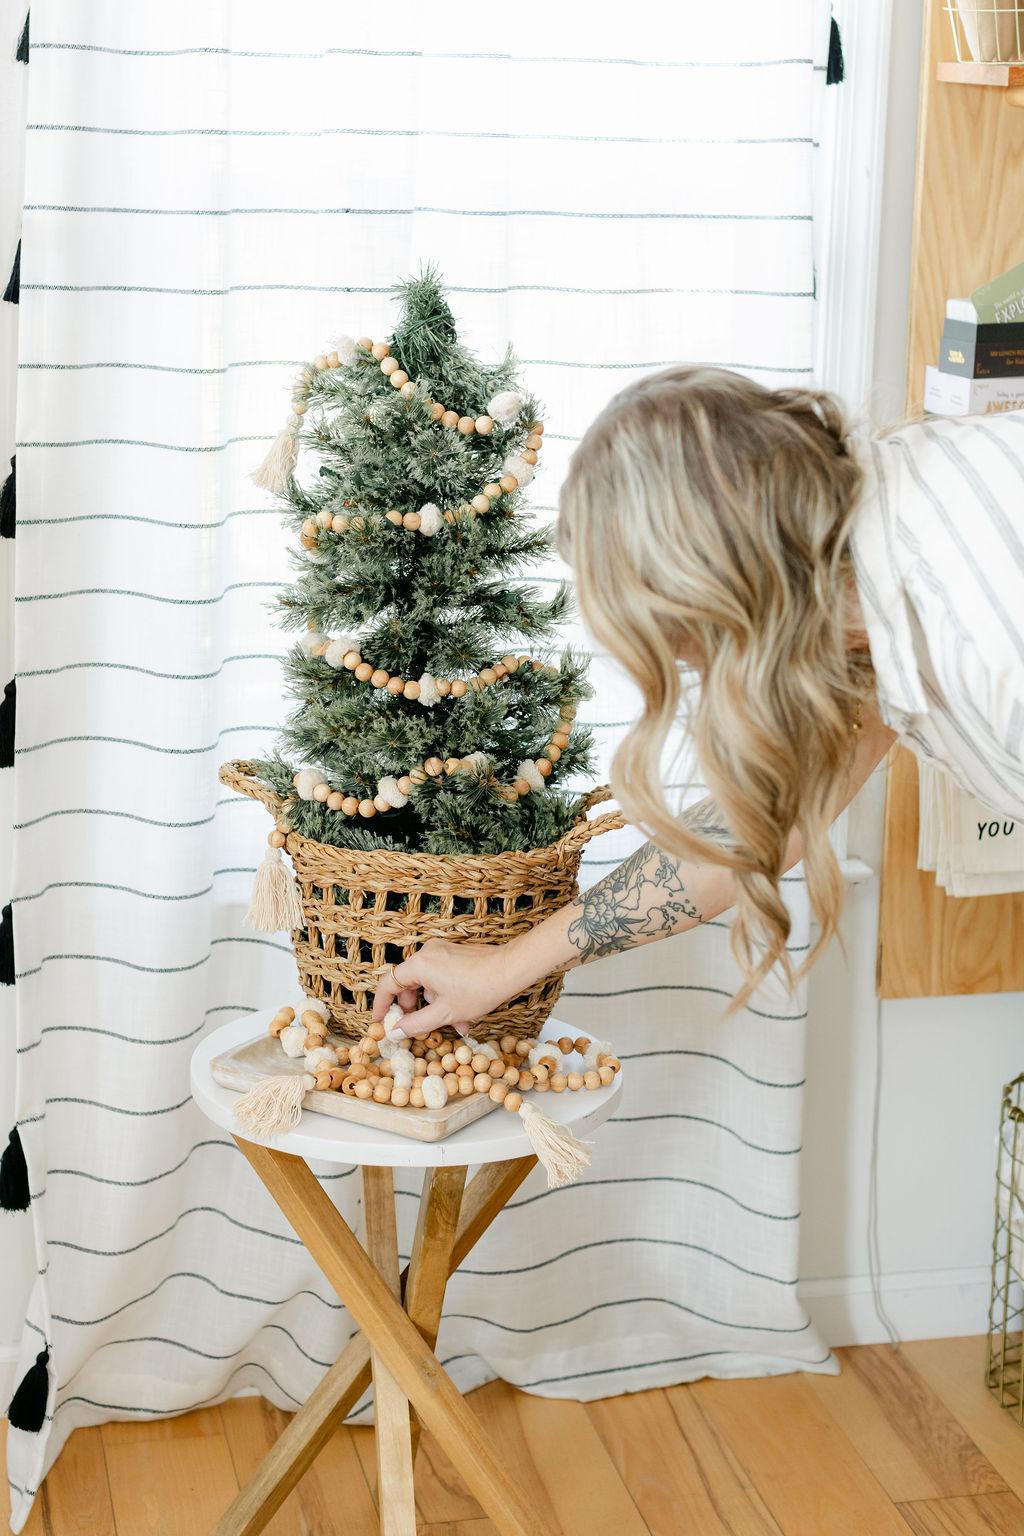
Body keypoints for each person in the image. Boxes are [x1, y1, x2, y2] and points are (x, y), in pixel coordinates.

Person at [373, 365, 1024, 1038]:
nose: (693, 667)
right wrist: (503, 968)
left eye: (679, 644)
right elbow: (754, 826)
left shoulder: (989, 651)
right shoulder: (857, 538)